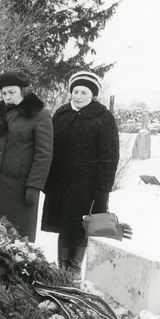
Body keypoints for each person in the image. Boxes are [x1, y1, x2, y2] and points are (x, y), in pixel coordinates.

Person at [41, 71, 119, 275]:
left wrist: (103, 189)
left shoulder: (103, 118)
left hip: (87, 187)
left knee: (81, 227)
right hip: (61, 184)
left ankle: (74, 271)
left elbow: (109, 157)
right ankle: (62, 269)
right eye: (75, 91)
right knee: (64, 227)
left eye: (84, 92)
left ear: (93, 95)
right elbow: (49, 148)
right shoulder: (61, 114)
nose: (78, 96)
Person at [0, 70, 53, 241]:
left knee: (16, 241)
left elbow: (43, 153)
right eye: (4, 93)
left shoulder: (39, 115)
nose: (7, 97)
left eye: (12, 92)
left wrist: (34, 186)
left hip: (18, 188)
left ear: (23, 91)